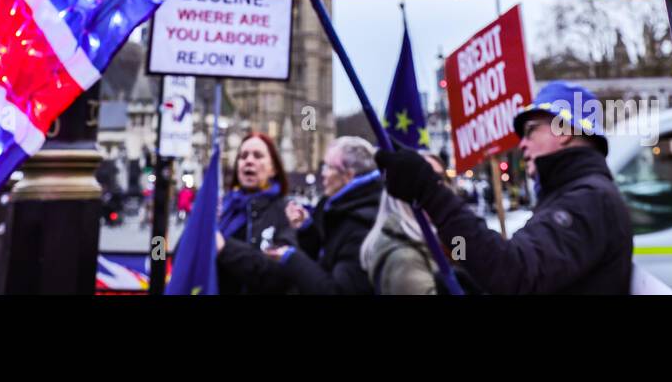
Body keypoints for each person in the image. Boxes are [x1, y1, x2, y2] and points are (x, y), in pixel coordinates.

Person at [376, 81, 633, 294]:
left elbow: (513, 273)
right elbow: (508, 270)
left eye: (531, 131)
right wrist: (471, 267)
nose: (521, 144)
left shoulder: (589, 200)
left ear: (564, 130)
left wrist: (431, 193)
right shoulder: (571, 195)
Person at [263, 136, 382, 294]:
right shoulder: (341, 205)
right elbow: (328, 256)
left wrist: (291, 258)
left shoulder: (362, 223)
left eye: (328, 167)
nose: (323, 174)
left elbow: (336, 290)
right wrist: (307, 229)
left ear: (348, 176)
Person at [213, 132, 298, 294]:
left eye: (258, 156)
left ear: (273, 169)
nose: (249, 161)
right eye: (243, 156)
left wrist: (225, 247)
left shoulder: (285, 211)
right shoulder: (224, 207)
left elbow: (280, 274)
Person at [359, 153, 445, 295]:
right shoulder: (405, 260)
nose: (441, 188)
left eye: (443, 179)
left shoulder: (442, 239)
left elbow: (460, 259)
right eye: (429, 179)